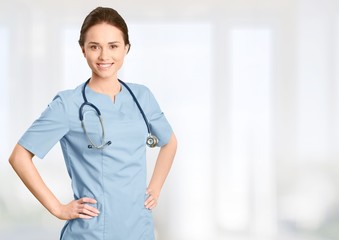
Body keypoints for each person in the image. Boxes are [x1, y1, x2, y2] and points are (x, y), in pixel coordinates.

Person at [9, 6, 177, 240]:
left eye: (113, 46)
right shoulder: (68, 105)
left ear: (126, 48)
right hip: (91, 233)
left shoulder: (142, 97)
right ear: (83, 50)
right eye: (94, 46)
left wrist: (155, 188)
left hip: (139, 229)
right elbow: (19, 157)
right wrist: (57, 208)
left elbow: (169, 142)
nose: (104, 56)